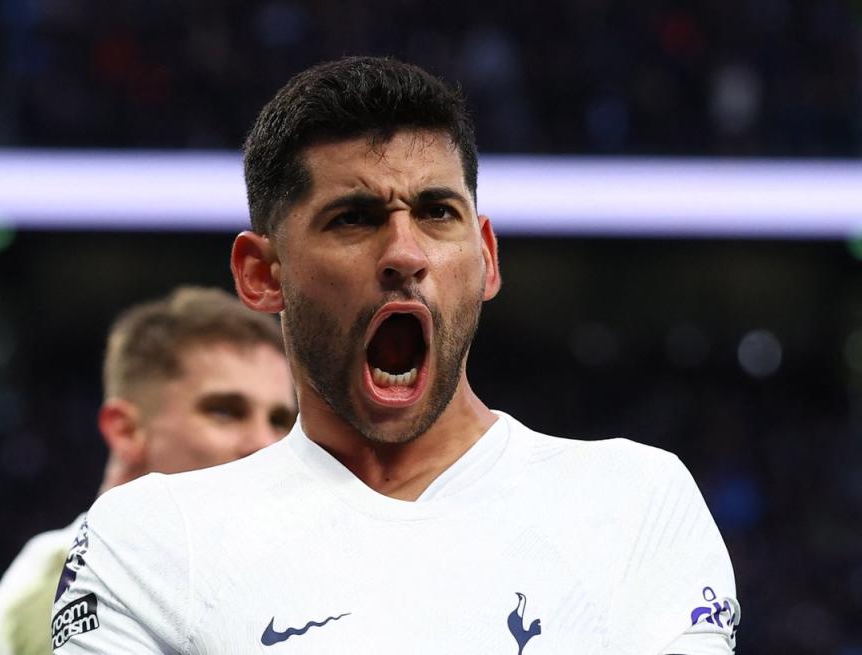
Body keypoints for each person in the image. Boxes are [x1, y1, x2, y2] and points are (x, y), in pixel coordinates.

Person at [52, 57, 740, 654]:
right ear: (263, 273)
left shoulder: (637, 503)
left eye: (438, 212)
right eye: (354, 217)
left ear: (486, 257)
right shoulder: (150, 539)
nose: (406, 254)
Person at [0, 286, 296, 655]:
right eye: (225, 411)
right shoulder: (64, 589)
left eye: (280, 420)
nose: (266, 443)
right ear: (126, 431)